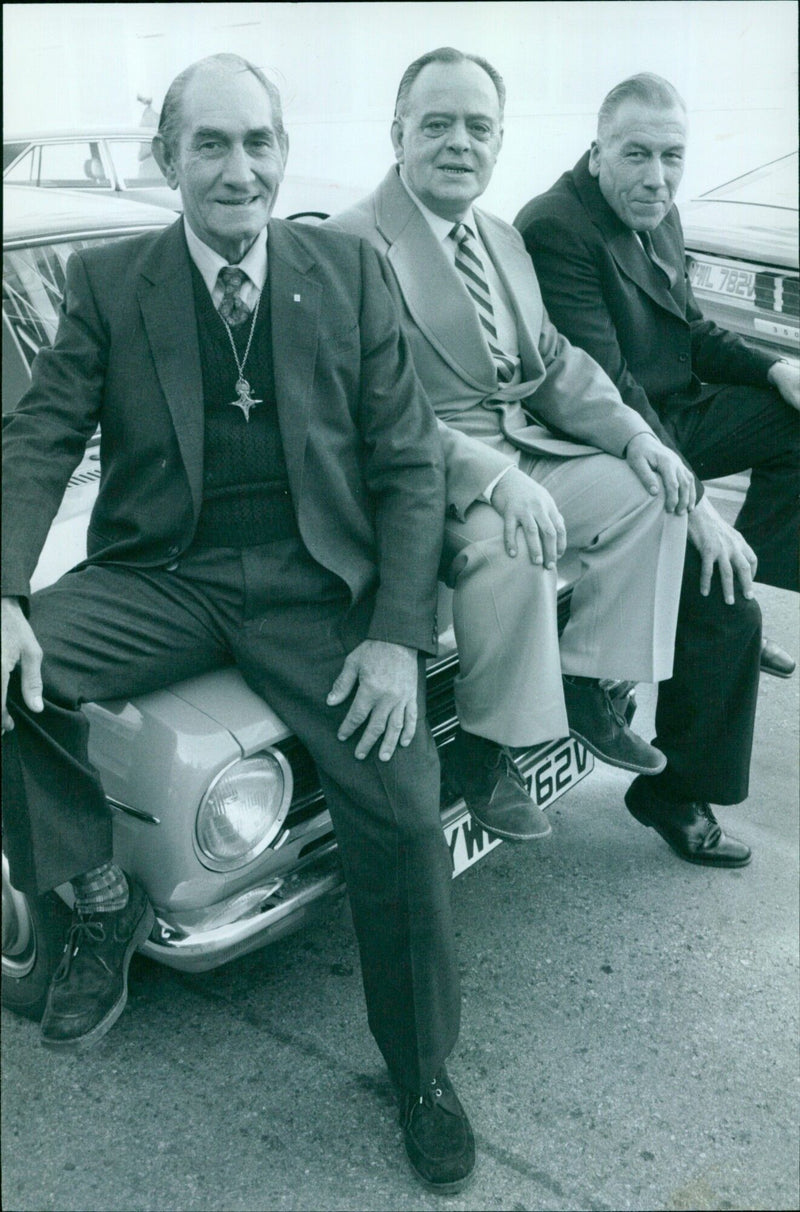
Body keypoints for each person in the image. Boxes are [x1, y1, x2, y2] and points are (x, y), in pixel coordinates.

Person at [2, 54, 470, 1193]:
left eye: (257, 142)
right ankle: (99, 896)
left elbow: (409, 465)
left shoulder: (346, 271)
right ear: (168, 159)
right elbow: (41, 437)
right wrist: (6, 594)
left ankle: (422, 1075)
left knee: (402, 814)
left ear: (282, 154)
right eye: (209, 144)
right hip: (166, 575)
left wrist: (396, 637)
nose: (237, 168)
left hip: (317, 592)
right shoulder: (114, 284)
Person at [329, 49, 715, 859]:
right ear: (396, 132)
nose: (458, 143)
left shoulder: (500, 237)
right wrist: (498, 481)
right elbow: (372, 412)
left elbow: (551, 361)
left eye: (478, 127)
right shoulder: (349, 244)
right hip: (412, 474)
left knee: (655, 495)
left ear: (500, 141)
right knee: (512, 547)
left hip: (517, 447)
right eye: (437, 125)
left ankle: (585, 686)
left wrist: (636, 436)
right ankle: (486, 749)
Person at [515, 72, 799, 858]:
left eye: (672, 156)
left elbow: (693, 331)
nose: (657, 175)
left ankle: (744, 585)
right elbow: (605, 386)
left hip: (674, 415)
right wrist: (698, 511)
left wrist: (776, 367)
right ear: (597, 149)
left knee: (795, 420)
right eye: (636, 154)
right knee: (723, 610)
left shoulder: (658, 211)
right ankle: (672, 796)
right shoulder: (556, 228)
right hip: (607, 436)